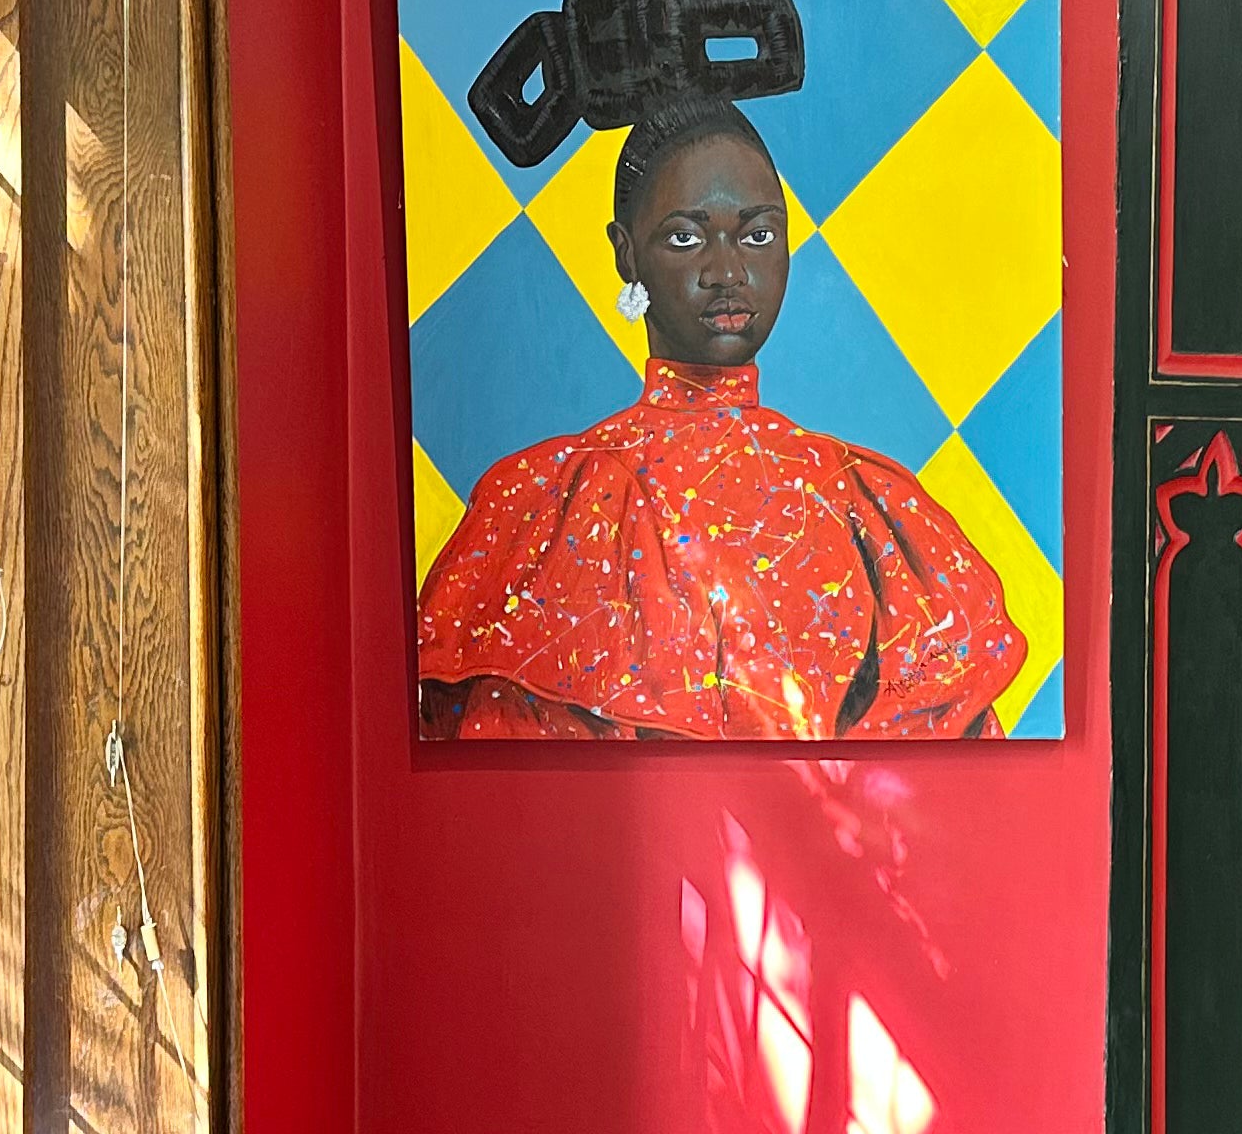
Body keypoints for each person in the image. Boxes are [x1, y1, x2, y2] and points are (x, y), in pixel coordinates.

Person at [415, 99, 1027, 740]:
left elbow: (938, 782)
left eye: (758, 235)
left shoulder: (867, 500)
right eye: (686, 236)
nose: (728, 272)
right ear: (626, 254)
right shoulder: (551, 502)